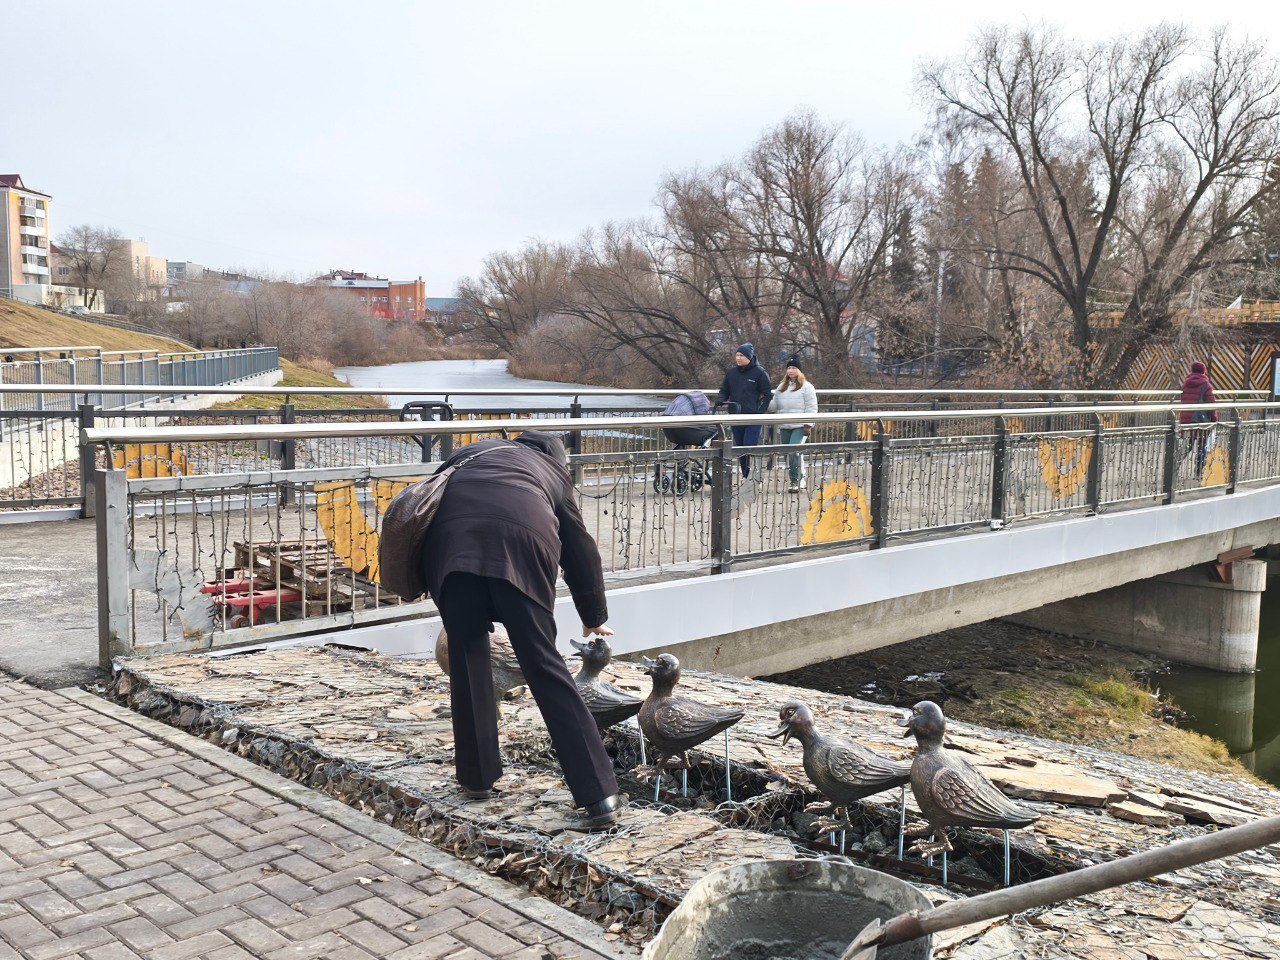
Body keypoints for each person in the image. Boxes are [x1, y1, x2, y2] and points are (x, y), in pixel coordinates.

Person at [419, 431, 622, 829]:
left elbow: (432, 504)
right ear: (555, 456)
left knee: (466, 654)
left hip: (449, 551)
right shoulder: (552, 472)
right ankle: (600, 797)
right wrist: (593, 614)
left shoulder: (470, 453)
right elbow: (580, 549)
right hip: (520, 550)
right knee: (543, 664)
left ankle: (476, 779)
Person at [716, 343, 773, 477]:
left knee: (749, 446)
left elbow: (768, 394)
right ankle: (746, 475)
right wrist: (720, 398)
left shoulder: (760, 373)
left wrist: (760, 411)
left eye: (741, 355)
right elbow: (724, 390)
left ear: (749, 356)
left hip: (753, 417)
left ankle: (754, 475)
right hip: (736, 416)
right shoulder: (731, 373)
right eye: (737, 355)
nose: (738, 358)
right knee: (740, 448)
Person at [767, 356, 818, 492]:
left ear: (799, 370)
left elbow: (811, 407)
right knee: (787, 453)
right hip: (785, 425)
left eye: (794, 368)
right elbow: (774, 406)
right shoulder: (781, 387)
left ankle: (797, 479)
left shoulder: (807, 387)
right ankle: (796, 477)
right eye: (789, 368)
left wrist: (808, 424)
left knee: (793, 451)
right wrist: (764, 399)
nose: (790, 370)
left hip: (800, 425)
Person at [1178, 361, 1219, 476]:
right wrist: (1214, 419)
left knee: (1187, 445)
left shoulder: (1185, 384)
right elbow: (1211, 404)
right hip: (1201, 421)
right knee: (1202, 446)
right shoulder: (1206, 385)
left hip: (1186, 420)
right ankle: (1199, 472)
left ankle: (1174, 466)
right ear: (1203, 371)